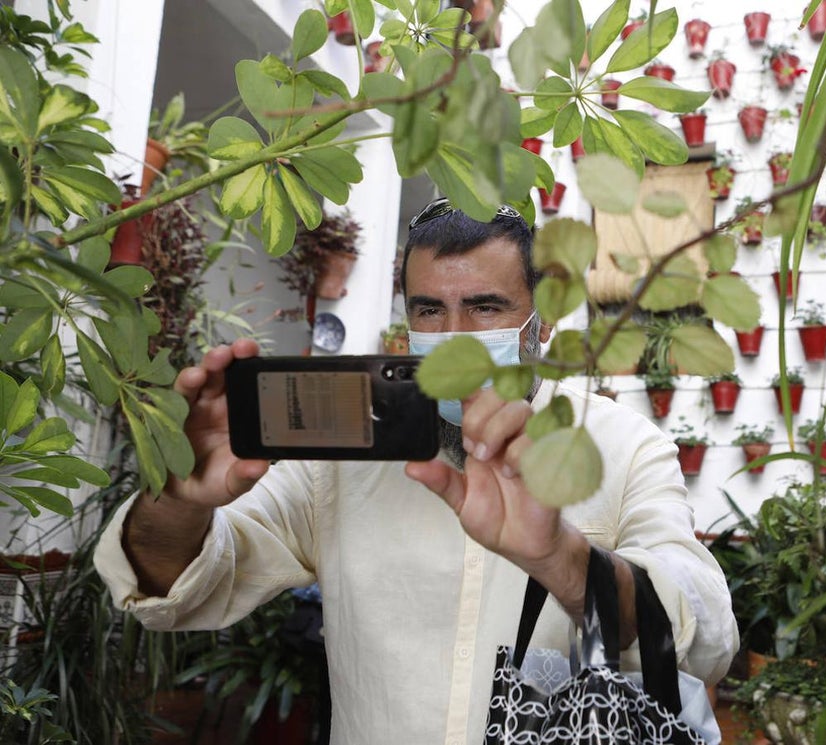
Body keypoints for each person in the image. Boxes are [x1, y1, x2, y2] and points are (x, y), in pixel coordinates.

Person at [95, 198, 738, 744]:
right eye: (430, 310)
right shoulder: (338, 462)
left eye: (485, 307)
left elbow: (704, 632)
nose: (454, 335)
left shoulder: (623, 447)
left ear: (540, 327)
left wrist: (564, 561)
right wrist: (181, 496)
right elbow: (180, 586)